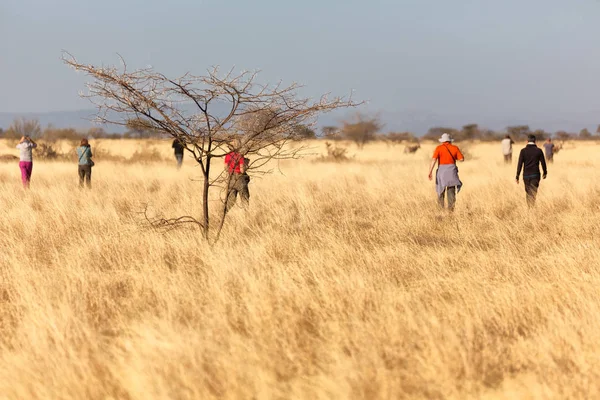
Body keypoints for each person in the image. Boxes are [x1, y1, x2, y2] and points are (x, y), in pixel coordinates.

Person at [428, 133, 464, 211]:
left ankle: (441, 210)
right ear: (450, 141)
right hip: (451, 172)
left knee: (440, 191)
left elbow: (434, 160)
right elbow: (461, 159)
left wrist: (430, 172)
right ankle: (450, 211)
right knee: (451, 192)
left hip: (442, 172)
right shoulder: (455, 148)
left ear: (442, 141)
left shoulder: (439, 148)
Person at [516, 134, 547, 208]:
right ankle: (531, 207)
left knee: (528, 192)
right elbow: (543, 163)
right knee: (533, 192)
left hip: (526, 175)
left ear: (527, 141)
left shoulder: (523, 151)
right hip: (535, 174)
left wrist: (517, 176)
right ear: (535, 141)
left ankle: (529, 207)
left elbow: (520, 164)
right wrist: (545, 172)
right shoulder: (539, 151)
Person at [224, 139, 250, 211]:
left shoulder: (227, 155)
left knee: (230, 200)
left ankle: (223, 214)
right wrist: (246, 164)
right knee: (245, 198)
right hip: (240, 178)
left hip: (231, 179)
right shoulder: (240, 156)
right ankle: (246, 214)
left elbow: (226, 168)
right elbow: (242, 170)